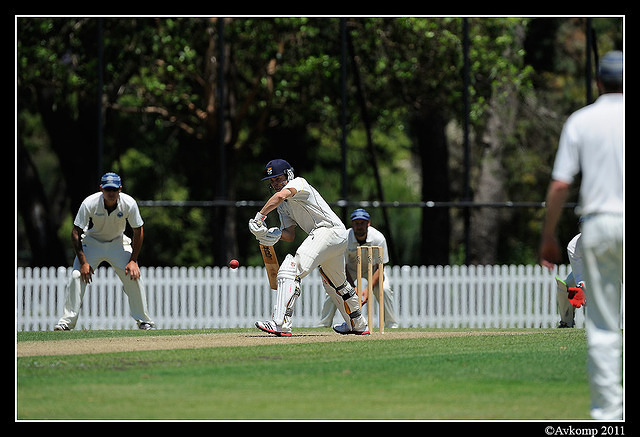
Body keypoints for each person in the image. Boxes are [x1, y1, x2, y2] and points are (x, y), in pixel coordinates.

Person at [539, 51, 623, 420]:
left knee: (604, 326)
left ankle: (609, 414)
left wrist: (548, 235)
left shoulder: (581, 120)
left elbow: (560, 185)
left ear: (599, 83)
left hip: (601, 224)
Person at [249, 159, 369, 336]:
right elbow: (289, 234)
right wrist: (270, 234)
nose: (275, 183)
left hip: (328, 230)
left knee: (291, 268)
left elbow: (280, 196)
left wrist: (259, 217)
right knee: (336, 283)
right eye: (272, 181)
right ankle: (358, 324)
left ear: (288, 175)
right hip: (335, 236)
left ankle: (280, 323)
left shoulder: (299, 183)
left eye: (278, 178)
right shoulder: (283, 206)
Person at [54, 172, 155, 331]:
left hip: (118, 243)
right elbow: (75, 232)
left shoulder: (129, 203)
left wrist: (133, 261)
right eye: (107, 189)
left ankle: (144, 321)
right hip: (92, 243)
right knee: (76, 276)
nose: (111, 193)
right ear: (101, 188)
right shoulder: (90, 203)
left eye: (114, 189)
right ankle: (66, 323)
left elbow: (138, 230)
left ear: (120, 189)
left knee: (133, 276)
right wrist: (84, 262)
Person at [318, 208, 399, 328]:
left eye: (362, 223)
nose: (359, 226)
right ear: (352, 224)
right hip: (349, 270)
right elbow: (342, 265)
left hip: (373, 269)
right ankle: (324, 325)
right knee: (333, 290)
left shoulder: (378, 238)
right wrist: (353, 288)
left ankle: (391, 325)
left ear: (368, 223)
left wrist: (368, 289)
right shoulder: (345, 237)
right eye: (356, 223)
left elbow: (380, 266)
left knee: (384, 290)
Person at [555, 230, 586, 328]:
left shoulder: (611, 236)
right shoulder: (574, 245)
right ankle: (566, 322)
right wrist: (583, 288)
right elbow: (579, 275)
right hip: (586, 270)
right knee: (564, 286)